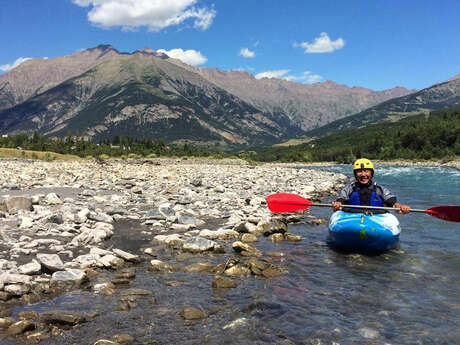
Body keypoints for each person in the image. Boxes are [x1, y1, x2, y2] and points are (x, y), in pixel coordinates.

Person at [332, 158, 411, 214]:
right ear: (355, 174)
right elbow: (340, 201)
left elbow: (394, 204)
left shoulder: (380, 189)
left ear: (371, 173)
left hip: (377, 218)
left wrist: (401, 207)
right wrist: (338, 204)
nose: (363, 175)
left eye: (366, 171)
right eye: (359, 171)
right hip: (352, 216)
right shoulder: (349, 189)